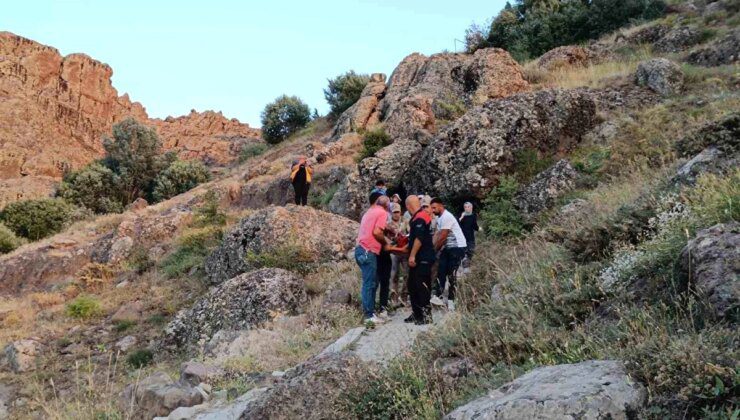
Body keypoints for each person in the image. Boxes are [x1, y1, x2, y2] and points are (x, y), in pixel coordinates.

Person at [355, 192, 389, 326]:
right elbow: (376, 232)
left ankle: (370, 312)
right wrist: (386, 243)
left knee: (370, 282)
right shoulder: (382, 212)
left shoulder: (369, 212)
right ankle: (368, 316)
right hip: (368, 251)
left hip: (361, 249)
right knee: (369, 284)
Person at [401, 195, 436, 324]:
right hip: (419, 257)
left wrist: (412, 255)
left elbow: (419, 239)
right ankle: (417, 313)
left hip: (423, 257)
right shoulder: (417, 217)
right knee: (412, 285)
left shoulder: (420, 217)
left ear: (409, 206)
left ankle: (426, 316)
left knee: (422, 286)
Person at [430, 198, 467, 312]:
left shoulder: (447, 216)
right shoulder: (439, 218)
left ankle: (451, 301)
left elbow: (443, 236)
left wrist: (434, 251)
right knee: (441, 270)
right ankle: (439, 296)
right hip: (448, 247)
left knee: (452, 274)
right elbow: (437, 235)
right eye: (431, 208)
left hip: (457, 247)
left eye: (434, 207)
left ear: (441, 206)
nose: (432, 210)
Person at [388, 202, 409, 307]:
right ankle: (394, 298)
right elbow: (386, 238)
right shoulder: (388, 223)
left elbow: (410, 232)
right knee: (394, 275)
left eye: (398, 212)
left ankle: (404, 297)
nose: (396, 214)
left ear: (401, 212)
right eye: (394, 212)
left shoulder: (405, 221)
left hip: (405, 251)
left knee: (407, 274)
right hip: (394, 251)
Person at [459, 202, 480, 268]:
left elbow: (474, 225)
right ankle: (464, 267)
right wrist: (462, 217)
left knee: (471, 252)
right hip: (462, 238)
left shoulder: (473, 216)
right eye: (465, 207)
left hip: (470, 237)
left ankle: (468, 266)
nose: (467, 208)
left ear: (471, 208)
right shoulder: (461, 215)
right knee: (463, 253)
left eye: (468, 207)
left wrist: (479, 229)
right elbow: (458, 224)